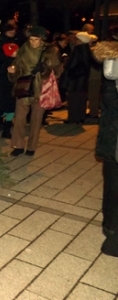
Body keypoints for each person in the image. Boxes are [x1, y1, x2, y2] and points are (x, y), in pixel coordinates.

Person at [7, 26, 61, 156]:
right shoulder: (23, 49)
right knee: (19, 118)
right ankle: (18, 145)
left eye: (36, 39)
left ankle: (31, 147)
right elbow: (18, 66)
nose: (33, 42)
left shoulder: (50, 51)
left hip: (41, 88)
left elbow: (57, 70)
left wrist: (45, 70)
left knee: (36, 119)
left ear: (41, 39)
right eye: (31, 39)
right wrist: (13, 71)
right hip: (24, 86)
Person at [92, 29, 118, 257]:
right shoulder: (112, 63)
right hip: (114, 137)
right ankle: (111, 228)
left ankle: (110, 227)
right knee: (112, 183)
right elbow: (110, 100)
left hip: (113, 136)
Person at [63, 32, 95, 124]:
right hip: (83, 78)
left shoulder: (78, 49)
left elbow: (72, 64)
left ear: (80, 40)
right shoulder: (87, 49)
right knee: (81, 98)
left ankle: (73, 118)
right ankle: (80, 117)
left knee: (73, 98)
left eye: (76, 39)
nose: (75, 41)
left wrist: (66, 66)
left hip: (75, 78)